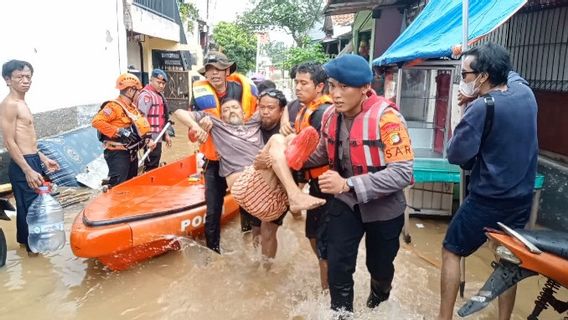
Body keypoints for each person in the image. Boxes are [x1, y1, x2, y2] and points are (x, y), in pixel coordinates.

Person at [304, 54, 414, 314]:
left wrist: (347, 184)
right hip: (346, 205)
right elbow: (321, 152)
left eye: (345, 87)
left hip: (384, 209)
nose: (336, 94)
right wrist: (290, 156)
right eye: (333, 86)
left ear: (365, 88)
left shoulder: (388, 119)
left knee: (380, 267)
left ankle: (378, 299)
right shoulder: (331, 116)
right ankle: (341, 314)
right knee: (338, 262)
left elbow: (402, 173)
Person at [437, 43, 538, 320]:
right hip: (521, 198)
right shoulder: (525, 93)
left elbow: (456, 154)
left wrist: (469, 108)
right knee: (508, 259)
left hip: (487, 199)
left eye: (466, 75)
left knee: (451, 250)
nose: (464, 81)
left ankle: (443, 317)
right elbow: (511, 75)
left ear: (483, 77)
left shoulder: (482, 108)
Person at [174, 99, 325, 227]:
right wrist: (195, 125)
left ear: (244, 113)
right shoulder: (217, 125)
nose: (231, 111)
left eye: (235, 107)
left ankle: (294, 183)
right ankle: (295, 194)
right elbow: (179, 112)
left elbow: (281, 104)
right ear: (221, 116)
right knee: (276, 139)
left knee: (290, 137)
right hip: (245, 189)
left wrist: (284, 121)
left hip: (273, 197)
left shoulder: (253, 122)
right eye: (226, 110)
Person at [190, 51, 258, 253]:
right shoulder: (199, 97)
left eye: (218, 69)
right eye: (209, 70)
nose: (214, 74)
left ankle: (252, 245)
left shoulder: (242, 91)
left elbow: (261, 118)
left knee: (249, 204)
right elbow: (191, 134)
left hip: (240, 159)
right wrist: (199, 127)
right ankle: (214, 253)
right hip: (214, 160)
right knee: (213, 210)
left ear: (227, 70)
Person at [0, 59, 60, 255]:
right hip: (22, 164)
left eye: (28, 76)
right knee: (30, 210)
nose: (25, 80)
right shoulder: (9, 105)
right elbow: (9, 142)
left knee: (34, 208)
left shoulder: (22, 102)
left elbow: (27, 138)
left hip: (32, 159)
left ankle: (27, 245)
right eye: (19, 77)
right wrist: (27, 170)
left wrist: (42, 159)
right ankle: (33, 253)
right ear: (8, 80)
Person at [283, 62, 334, 290]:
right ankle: (327, 276)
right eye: (296, 83)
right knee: (312, 234)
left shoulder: (322, 112)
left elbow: (322, 154)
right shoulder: (304, 108)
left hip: (327, 186)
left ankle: (329, 295)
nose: (298, 88)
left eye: (304, 83)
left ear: (320, 86)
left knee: (323, 241)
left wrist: (286, 160)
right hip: (314, 183)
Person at [248, 89, 288, 269]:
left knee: (268, 229)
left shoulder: (286, 130)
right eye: (262, 107)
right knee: (255, 229)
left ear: (281, 111)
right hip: (254, 184)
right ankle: (256, 261)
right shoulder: (251, 125)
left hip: (277, 188)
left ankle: (266, 272)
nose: (265, 111)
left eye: (270, 108)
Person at [92, 73, 151, 187]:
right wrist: (119, 131)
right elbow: (96, 122)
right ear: (130, 91)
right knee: (118, 187)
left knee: (131, 185)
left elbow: (140, 126)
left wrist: (148, 139)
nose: (139, 94)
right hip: (118, 154)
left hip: (132, 153)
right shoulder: (113, 107)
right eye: (138, 91)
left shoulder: (132, 108)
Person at [136, 69, 172, 172]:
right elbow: (141, 118)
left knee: (155, 161)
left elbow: (162, 118)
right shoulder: (146, 95)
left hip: (158, 136)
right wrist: (147, 138)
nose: (161, 85)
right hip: (150, 136)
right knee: (151, 164)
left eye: (163, 83)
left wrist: (166, 135)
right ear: (151, 80)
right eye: (158, 82)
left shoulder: (158, 95)